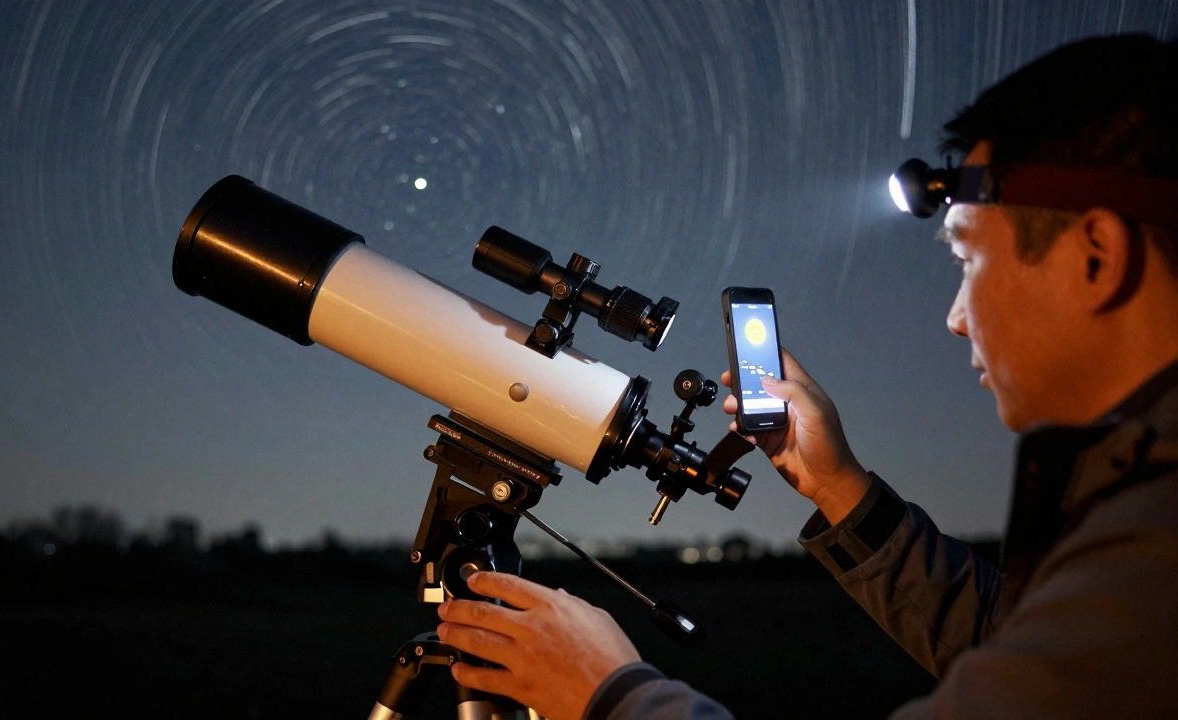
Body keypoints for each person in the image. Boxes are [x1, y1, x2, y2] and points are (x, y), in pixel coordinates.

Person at [435, 34, 1178, 720]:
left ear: (1095, 258)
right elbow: (1006, 639)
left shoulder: (1157, 549)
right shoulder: (1129, 535)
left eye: (967, 262)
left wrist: (612, 694)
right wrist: (836, 483)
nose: (956, 317)